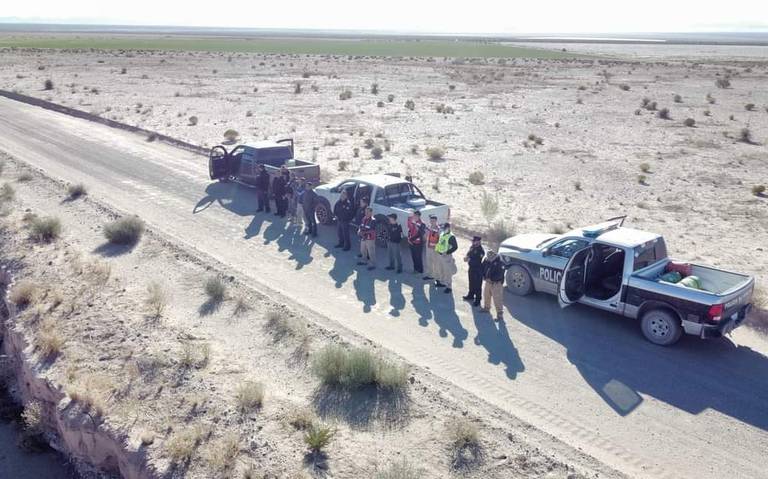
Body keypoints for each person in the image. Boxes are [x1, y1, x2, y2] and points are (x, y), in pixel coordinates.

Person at [480, 250, 505, 321]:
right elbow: (482, 268)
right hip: (488, 281)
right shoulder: (486, 260)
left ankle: (500, 314)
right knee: (486, 295)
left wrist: (491, 279)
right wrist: (484, 277)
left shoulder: (500, 263)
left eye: (490, 257)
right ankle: (486, 308)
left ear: (494, 256)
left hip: (496, 283)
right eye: (488, 257)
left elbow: (500, 274)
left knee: (497, 299)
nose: (489, 259)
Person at [434, 223, 458, 293]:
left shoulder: (451, 237)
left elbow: (455, 247)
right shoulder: (442, 234)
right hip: (440, 255)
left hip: (446, 256)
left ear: (448, 228)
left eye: (445, 228)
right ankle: (442, 283)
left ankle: (449, 287)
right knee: (441, 270)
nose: (443, 229)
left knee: (447, 272)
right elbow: (440, 243)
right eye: (443, 228)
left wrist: (447, 252)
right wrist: (437, 250)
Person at [463, 236, 485, 306]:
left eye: (474, 241)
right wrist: (466, 257)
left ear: (478, 241)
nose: (472, 242)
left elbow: (478, 261)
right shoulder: (472, 247)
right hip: (471, 268)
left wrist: (470, 260)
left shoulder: (481, 251)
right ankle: (470, 295)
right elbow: (469, 253)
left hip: (477, 270)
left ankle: (478, 300)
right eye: (472, 241)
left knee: (477, 285)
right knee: (471, 282)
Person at [422, 215, 441, 282]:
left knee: (436, 263)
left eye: (433, 221)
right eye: (431, 221)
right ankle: (430, 275)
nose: (432, 222)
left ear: (436, 221)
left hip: (435, 249)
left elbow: (440, 240)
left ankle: (438, 278)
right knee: (429, 262)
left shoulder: (439, 229)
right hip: (428, 248)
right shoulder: (428, 227)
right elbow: (425, 236)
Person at [407, 210, 425, 275]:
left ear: (419, 216)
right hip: (412, 242)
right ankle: (415, 269)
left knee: (418, 257)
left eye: (415, 216)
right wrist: (409, 239)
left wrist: (416, 225)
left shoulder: (422, 224)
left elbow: (420, 233)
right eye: (414, 215)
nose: (414, 217)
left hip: (418, 243)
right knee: (413, 256)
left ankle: (420, 270)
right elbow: (409, 230)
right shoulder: (412, 221)